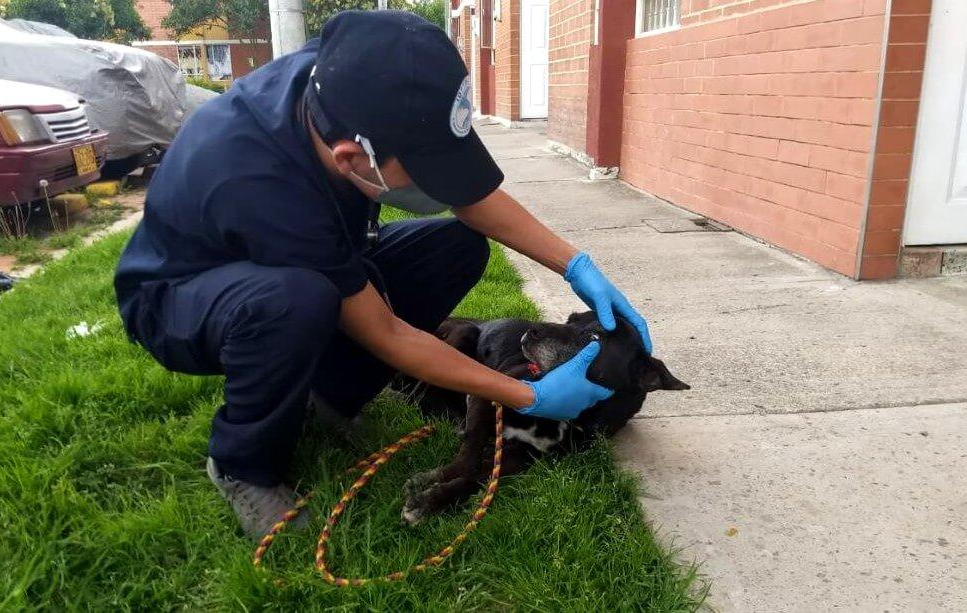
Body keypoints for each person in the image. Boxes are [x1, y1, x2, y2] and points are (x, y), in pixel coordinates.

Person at [114, 10, 652, 538]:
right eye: (426, 171)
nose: (440, 184)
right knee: (296, 299)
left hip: (304, 254)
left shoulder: (346, 79)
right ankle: (241, 463)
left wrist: (578, 266)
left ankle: (329, 397)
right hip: (179, 297)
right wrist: (527, 396)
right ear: (352, 158)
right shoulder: (254, 179)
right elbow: (386, 332)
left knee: (457, 245)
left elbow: (472, 201)